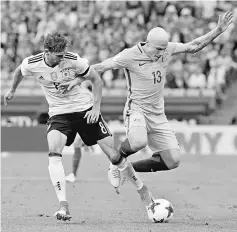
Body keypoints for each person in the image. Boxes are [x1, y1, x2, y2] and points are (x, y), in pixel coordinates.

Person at [4, 33, 155, 222]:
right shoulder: (33, 63)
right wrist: (12, 90)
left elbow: (96, 80)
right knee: (53, 151)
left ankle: (144, 191)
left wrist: (96, 108)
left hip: (85, 109)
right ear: (47, 52)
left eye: (64, 54)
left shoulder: (74, 60)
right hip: (59, 113)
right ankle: (63, 206)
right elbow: (19, 70)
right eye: (58, 55)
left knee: (116, 157)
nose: (62, 58)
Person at [80, 12, 232, 183]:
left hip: (158, 114)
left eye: (163, 49)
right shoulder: (129, 55)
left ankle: (127, 168)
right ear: (148, 43)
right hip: (136, 108)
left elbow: (193, 46)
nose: (161, 53)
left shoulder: (167, 49)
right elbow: (100, 67)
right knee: (138, 142)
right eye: (158, 49)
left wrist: (218, 30)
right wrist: (75, 78)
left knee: (173, 160)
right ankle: (116, 162)